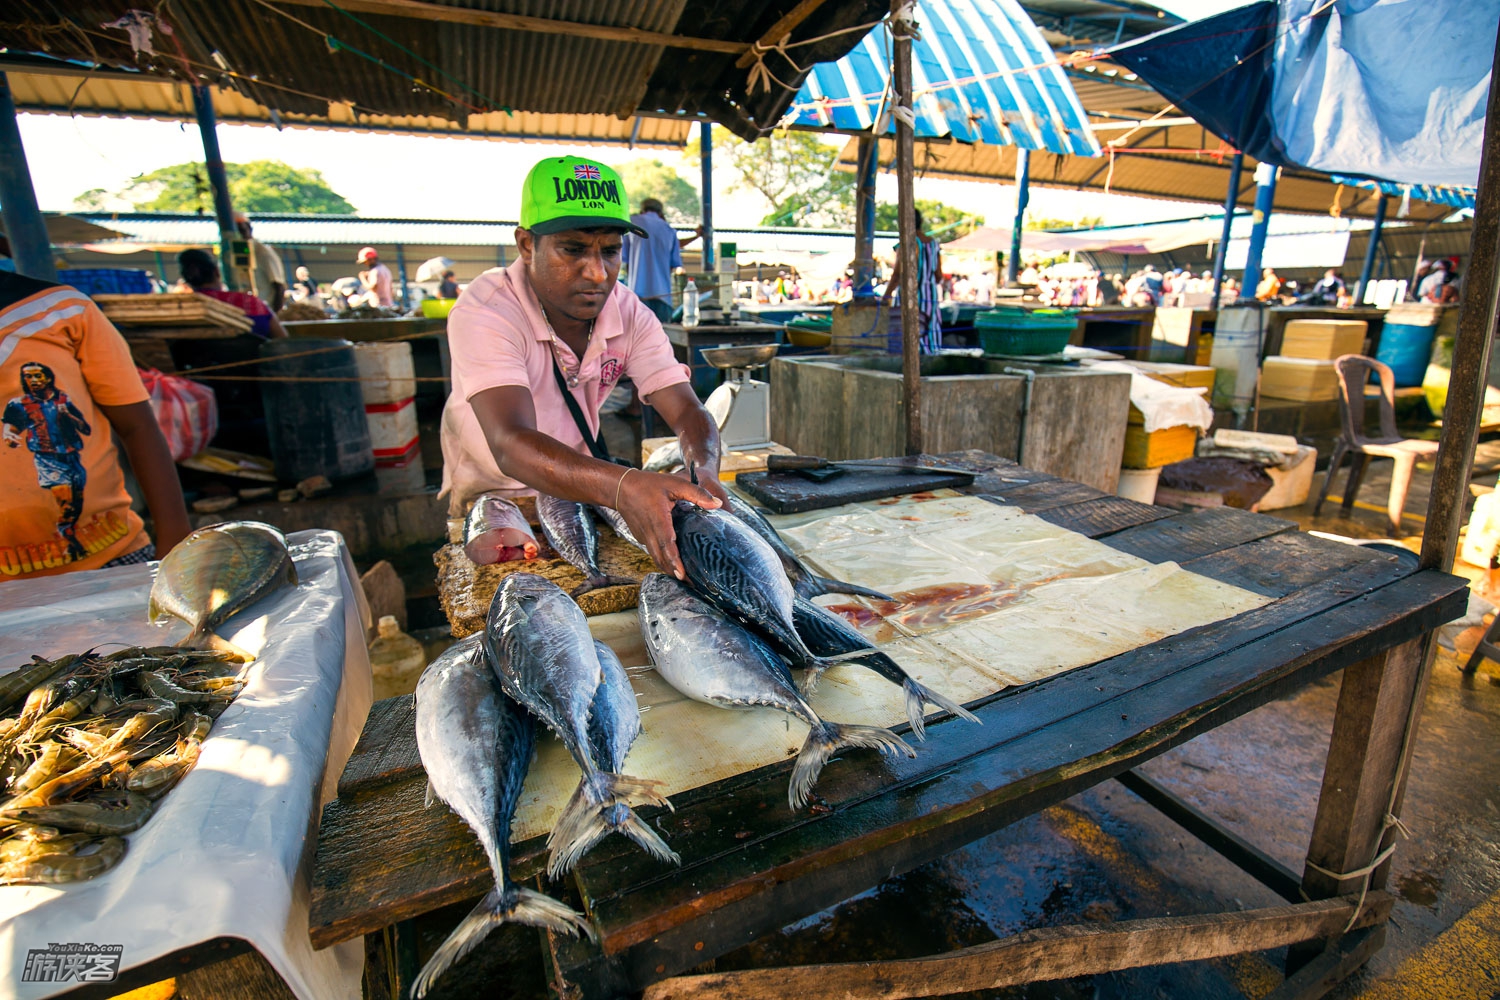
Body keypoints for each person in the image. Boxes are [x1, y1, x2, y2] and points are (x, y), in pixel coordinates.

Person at [440, 155, 727, 579]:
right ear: (526, 244)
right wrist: (624, 484)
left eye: (610, 251)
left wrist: (703, 466)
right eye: (572, 249)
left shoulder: (629, 312)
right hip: (496, 504)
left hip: (581, 490)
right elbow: (509, 443)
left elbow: (685, 409)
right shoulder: (487, 310)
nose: (597, 272)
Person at [0, 271, 190, 577]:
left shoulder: (61, 310)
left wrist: (175, 540)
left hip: (111, 555)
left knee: (68, 497)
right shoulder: (21, 406)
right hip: (6, 593)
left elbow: (137, 426)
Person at [622, 198, 701, 323]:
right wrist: (697, 236)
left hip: (637, 293)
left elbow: (625, 258)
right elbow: (673, 264)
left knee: (636, 338)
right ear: (661, 213)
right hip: (663, 295)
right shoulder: (669, 230)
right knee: (661, 336)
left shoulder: (632, 223)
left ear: (642, 210)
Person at [178, 249, 288, 339]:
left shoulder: (182, 310)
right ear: (217, 272)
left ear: (186, 279)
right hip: (256, 364)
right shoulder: (252, 303)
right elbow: (282, 340)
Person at [881, 209, 944, 354]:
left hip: (909, 296)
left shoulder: (907, 242)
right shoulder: (934, 244)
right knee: (929, 332)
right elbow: (939, 275)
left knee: (907, 334)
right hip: (930, 297)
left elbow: (897, 274)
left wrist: (886, 297)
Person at [234, 212, 286, 311]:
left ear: (249, 229)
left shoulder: (263, 253)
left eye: (242, 230)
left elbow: (279, 287)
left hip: (264, 310)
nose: (239, 236)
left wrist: (273, 316)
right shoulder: (232, 256)